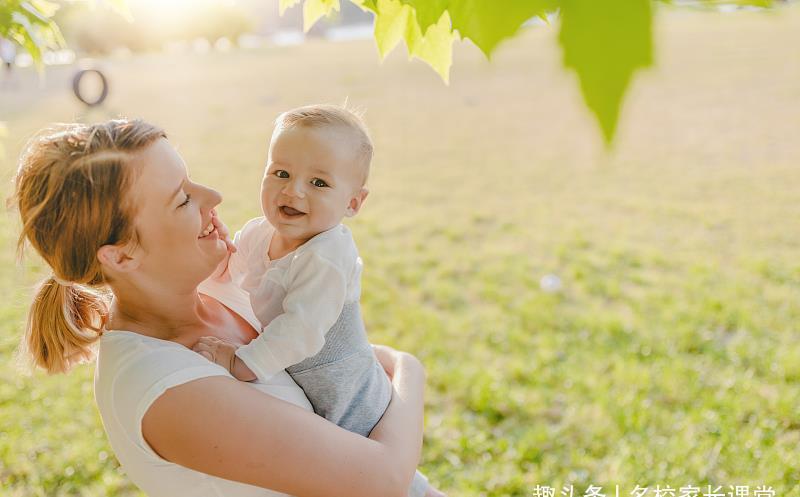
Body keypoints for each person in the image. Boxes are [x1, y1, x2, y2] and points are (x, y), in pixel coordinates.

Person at [12, 119, 436, 497]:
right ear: (121, 256)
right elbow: (382, 480)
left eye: (192, 179)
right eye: (182, 199)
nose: (213, 196)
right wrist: (408, 368)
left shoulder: (222, 287)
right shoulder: (163, 387)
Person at [192, 104, 431, 497]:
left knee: (370, 472)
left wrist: (241, 363)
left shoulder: (327, 255)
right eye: (280, 173)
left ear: (353, 203)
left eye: (319, 183)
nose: (293, 190)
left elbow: (300, 330)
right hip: (312, 380)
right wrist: (216, 254)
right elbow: (235, 269)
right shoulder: (259, 233)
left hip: (346, 388)